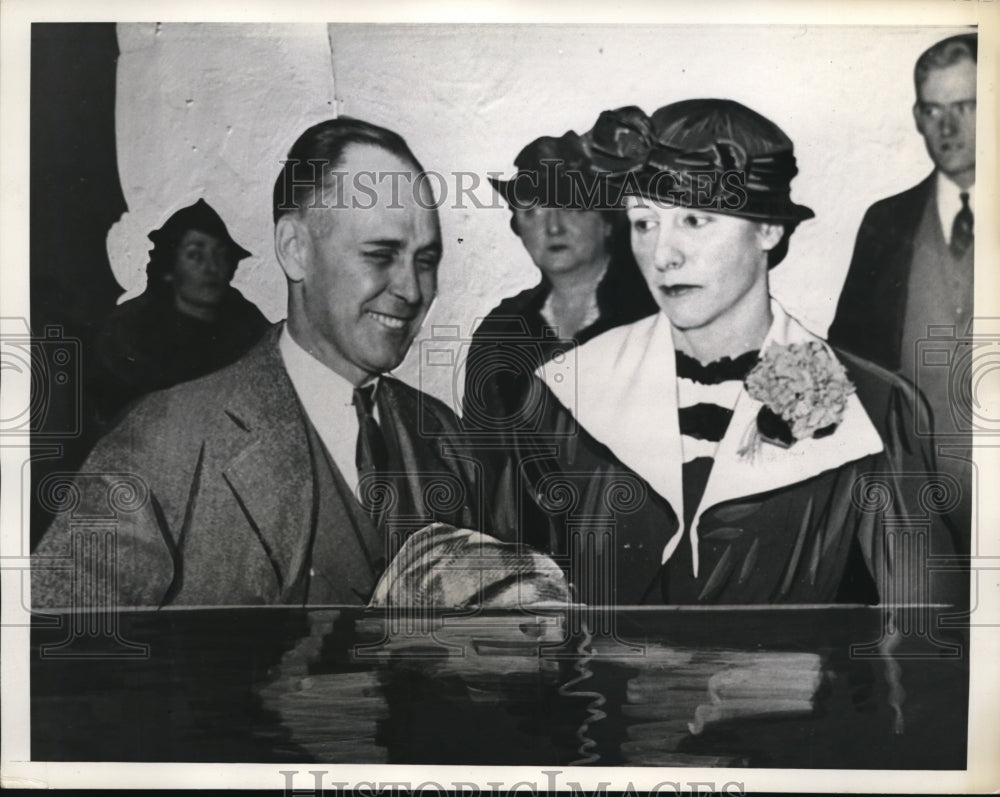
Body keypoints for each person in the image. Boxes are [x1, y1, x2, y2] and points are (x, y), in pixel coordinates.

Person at [510, 101, 959, 607]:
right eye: (644, 223)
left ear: (768, 228)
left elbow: (923, 626)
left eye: (694, 220)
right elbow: (517, 608)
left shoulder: (873, 408)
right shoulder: (566, 393)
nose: (663, 255)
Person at [32, 118, 490, 608]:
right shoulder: (158, 445)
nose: (412, 290)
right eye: (381, 255)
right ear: (295, 250)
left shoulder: (445, 437)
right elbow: (54, 641)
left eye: (426, 261)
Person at [828, 33, 976, 553]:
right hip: (914, 515)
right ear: (916, 117)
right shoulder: (885, 223)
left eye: (966, 106)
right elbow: (848, 360)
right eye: (933, 110)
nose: (947, 127)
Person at [462, 132, 656, 432]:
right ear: (518, 227)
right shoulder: (499, 332)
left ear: (607, 221)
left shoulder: (654, 313)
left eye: (569, 206)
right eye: (533, 211)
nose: (553, 227)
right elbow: (482, 450)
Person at [91, 198, 270, 428]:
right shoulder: (131, 334)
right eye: (195, 255)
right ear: (170, 267)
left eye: (220, 254)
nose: (211, 267)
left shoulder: (250, 328)